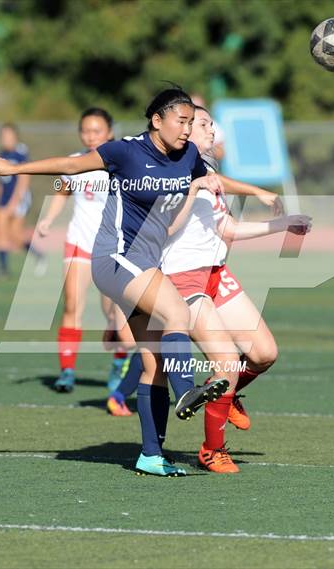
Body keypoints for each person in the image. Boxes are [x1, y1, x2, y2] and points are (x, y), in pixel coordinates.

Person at [0, 88, 231, 477]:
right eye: (181, 122)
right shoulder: (124, 152)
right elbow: (71, 163)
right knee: (176, 312)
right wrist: (14, 169)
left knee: (153, 365)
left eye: (190, 122)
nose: (187, 130)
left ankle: (151, 455)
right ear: (157, 121)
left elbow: (217, 180)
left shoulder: (189, 157)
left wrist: (260, 193)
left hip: (145, 264)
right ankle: (187, 391)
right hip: (114, 258)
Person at [111, 106, 311, 473]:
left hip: (216, 274)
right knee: (226, 366)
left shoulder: (206, 172)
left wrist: (282, 223)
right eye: (202, 125)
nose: (209, 132)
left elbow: (228, 229)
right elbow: (161, 232)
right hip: (182, 281)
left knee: (264, 354)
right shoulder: (169, 174)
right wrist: (192, 188)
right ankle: (211, 449)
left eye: (207, 125)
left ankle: (227, 393)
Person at [37, 108, 134, 400]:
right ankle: (66, 372)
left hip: (110, 248)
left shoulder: (120, 160)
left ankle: (119, 364)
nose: (91, 136)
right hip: (78, 242)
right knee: (72, 307)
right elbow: (61, 189)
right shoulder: (75, 160)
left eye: (97, 131)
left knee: (113, 315)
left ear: (110, 133)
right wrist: (48, 219)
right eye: (86, 131)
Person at [0, 123, 45, 277]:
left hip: (19, 199)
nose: (6, 139)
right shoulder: (2, 154)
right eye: (3, 136)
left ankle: (38, 256)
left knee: (15, 237)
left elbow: (24, 179)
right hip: (4, 199)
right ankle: (4, 269)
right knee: (5, 233)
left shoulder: (20, 153)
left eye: (9, 136)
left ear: (15, 137)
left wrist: (13, 203)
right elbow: (0, 181)